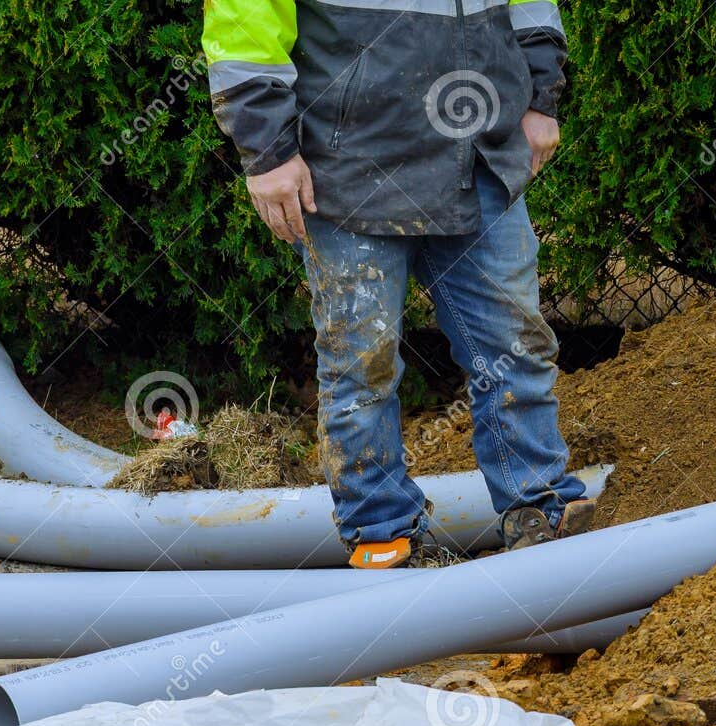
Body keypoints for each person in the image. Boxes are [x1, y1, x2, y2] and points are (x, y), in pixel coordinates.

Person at [203, 0, 593, 568]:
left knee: (516, 347)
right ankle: (382, 535)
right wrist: (267, 149)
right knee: (362, 364)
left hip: (477, 153)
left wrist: (539, 93)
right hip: (351, 167)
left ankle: (542, 511)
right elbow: (245, 19)